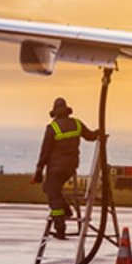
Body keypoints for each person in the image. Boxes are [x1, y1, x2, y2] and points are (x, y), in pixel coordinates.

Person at [33, 97, 103, 237]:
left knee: (51, 192)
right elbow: (90, 136)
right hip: (71, 167)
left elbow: (45, 152)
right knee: (55, 190)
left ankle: (60, 227)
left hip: (55, 168)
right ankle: (67, 210)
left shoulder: (52, 128)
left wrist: (39, 170)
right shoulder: (77, 124)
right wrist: (100, 132)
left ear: (55, 113)